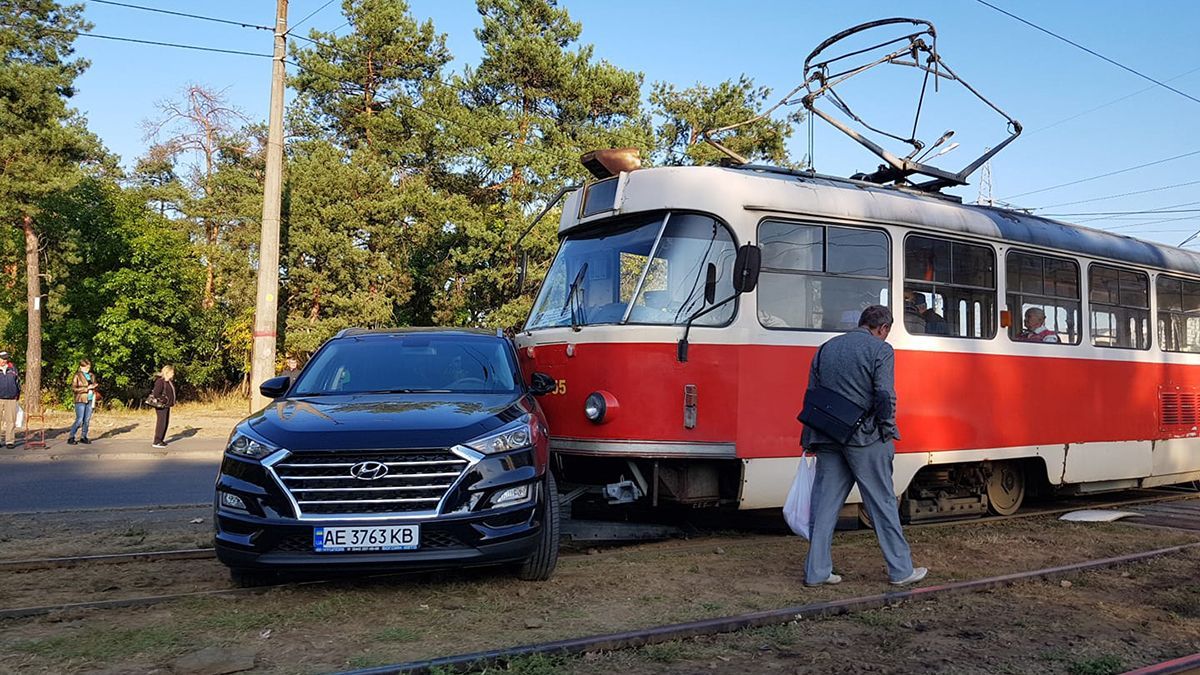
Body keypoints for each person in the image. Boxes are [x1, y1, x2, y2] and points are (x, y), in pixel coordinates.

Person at [801, 305, 928, 587]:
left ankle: (816, 572)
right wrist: (887, 428)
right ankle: (900, 570)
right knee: (882, 503)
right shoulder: (880, 350)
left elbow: (812, 396)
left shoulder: (826, 349)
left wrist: (809, 437)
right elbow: (884, 395)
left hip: (829, 437)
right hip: (866, 437)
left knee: (823, 506)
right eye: (887, 332)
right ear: (883, 329)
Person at [68, 360, 98, 445]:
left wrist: (94, 386)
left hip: (90, 398)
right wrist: (86, 388)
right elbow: (74, 389)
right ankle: (71, 437)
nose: (88, 369)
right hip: (80, 399)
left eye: (89, 367)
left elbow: (94, 384)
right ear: (81, 367)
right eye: (86, 367)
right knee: (79, 419)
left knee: (87, 420)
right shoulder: (77, 375)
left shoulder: (92, 375)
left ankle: (83, 436)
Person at [150, 365, 177, 449]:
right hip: (161, 405)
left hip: (167, 405)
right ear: (167, 372)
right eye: (171, 372)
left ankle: (161, 440)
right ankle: (157, 441)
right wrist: (164, 399)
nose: (173, 374)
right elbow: (156, 393)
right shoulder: (160, 382)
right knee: (161, 423)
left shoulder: (169, 382)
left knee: (165, 422)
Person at [0, 354, 18, 448]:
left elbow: (17, 382)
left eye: (6, 359)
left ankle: (10, 441)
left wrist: (17, 394)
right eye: (3, 359)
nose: (4, 361)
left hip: (11, 398)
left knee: (11, 420)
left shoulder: (13, 369)